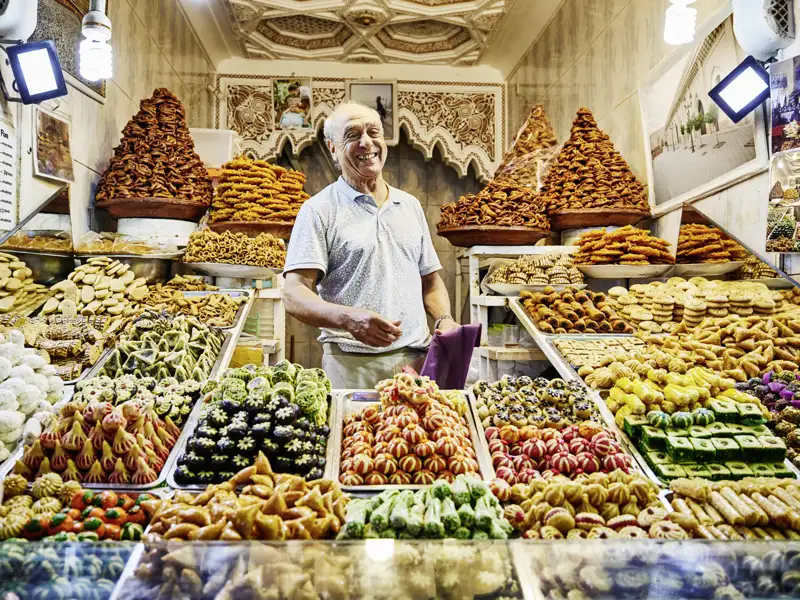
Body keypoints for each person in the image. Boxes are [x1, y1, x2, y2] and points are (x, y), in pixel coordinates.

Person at [283, 101, 459, 388]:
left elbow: (430, 282)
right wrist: (349, 320)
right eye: (353, 135)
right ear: (333, 149)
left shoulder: (410, 206)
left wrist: (445, 320)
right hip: (352, 367)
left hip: (417, 362)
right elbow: (293, 292)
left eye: (373, 132)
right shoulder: (319, 209)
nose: (367, 142)